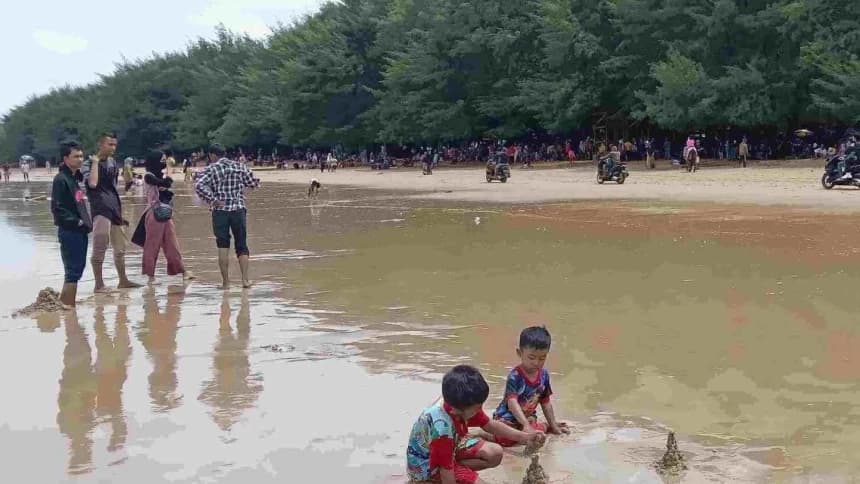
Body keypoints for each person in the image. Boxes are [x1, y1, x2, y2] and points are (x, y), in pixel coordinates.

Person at [406, 365, 544, 484]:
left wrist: (524, 437)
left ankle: (456, 467)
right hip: (427, 467)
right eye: (477, 408)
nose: (480, 410)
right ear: (456, 410)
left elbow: (490, 425)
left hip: (449, 449)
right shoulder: (442, 430)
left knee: (495, 453)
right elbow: (445, 470)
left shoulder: (458, 403)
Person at [82, 132, 142, 292]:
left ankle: (123, 280)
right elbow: (92, 184)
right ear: (100, 144)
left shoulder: (112, 162)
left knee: (120, 248)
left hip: (114, 206)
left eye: (115, 144)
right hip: (100, 208)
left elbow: (113, 187)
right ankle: (99, 284)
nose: (113, 148)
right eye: (110, 144)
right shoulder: (88, 163)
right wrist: (95, 162)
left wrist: (119, 213)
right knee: (100, 245)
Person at [194, 144, 261, 289]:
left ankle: (226, 283)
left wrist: (212, 199)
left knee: (222, 245)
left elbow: (198, 185)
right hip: (238, 209)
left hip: (220, 211)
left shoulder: (211, 169)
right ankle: (245, 281)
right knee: (242, 245)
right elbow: (253, 183)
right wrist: (241, 193)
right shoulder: (239, 166)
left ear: (212, 155)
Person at [491, 327, 570, 446]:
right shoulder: (515, 376)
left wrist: (553, 425)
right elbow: (512, 403)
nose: (536, 362)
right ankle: (487, 433)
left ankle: (545, 426)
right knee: (505, 440)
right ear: (520, 353)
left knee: (537, 434)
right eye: (531, 358)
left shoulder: (544, 375)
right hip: (507, 419)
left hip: (528, 417)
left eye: (542, 358)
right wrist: (526, 425)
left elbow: (546, 402)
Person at [139, 150, 194, 284]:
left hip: (165, 213)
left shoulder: (158, 176)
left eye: (165, 160)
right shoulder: (148, 176)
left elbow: (167, 183)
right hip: (154, 214)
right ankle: (150, 277)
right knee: (152, 245)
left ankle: (183, 271)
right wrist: (169, 169)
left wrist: (166, 178)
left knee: (172, 243)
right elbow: (166, 183)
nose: (164, 162)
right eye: (162, 160)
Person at [51, 142, 93, 306]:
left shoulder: (74, 178)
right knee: (73, 271)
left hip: (80, 230)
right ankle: (68, 308)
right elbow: (57, 209)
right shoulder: (61, 179)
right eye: (76, 156)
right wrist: (78, 221)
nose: (80, 159)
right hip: (70, 231)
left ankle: (66, 305)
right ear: (66, 158)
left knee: (77, 270)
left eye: (81, 156)